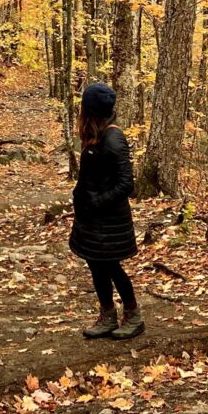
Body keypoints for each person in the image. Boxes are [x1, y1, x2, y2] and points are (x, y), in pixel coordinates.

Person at [69, 81, 144, 339]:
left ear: (90, 109)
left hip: (109, 220)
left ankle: (133, 316)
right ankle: (107, 315)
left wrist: (97, 202)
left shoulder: (113, 138)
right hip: (91, 219)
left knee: (111, 267)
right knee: (96, 266)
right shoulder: (96, 134)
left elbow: (126, 184)